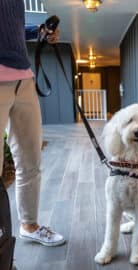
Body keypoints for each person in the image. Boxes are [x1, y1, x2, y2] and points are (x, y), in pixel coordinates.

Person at [0, 0, 65, 246]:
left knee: (30, 161)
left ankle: (29, 224)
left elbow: (12, 28)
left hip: (24, 79)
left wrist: (37, 31)